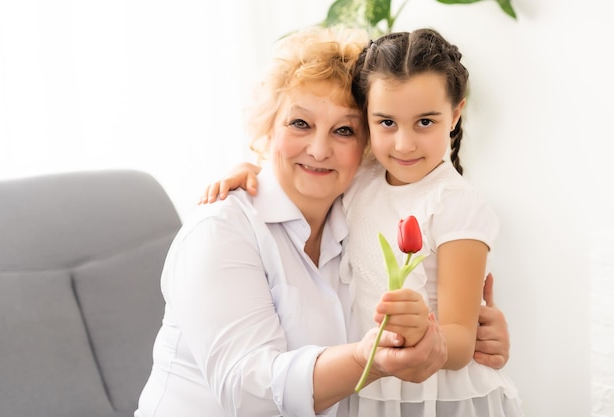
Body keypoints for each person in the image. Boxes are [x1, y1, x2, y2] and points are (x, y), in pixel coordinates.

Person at [199, 29, 522, 416]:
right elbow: (303, 167)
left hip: (431, 395)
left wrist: (430, 337)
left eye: (425, 122)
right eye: (387, 122)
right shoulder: (365, 177)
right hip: (368, 385)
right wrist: (252, 169)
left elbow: (460, 340)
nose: (404, 144)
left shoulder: (455, 204)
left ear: (454, 115)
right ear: (370, 120)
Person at [135, 26, 449, 417]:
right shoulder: (220, 231)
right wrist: (370, 360)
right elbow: (250, 393)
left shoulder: (361, 225)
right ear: (268, 126)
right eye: (300, 123)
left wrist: (468, 333)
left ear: (366, 145)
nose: (319, 149)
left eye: (344, 130)